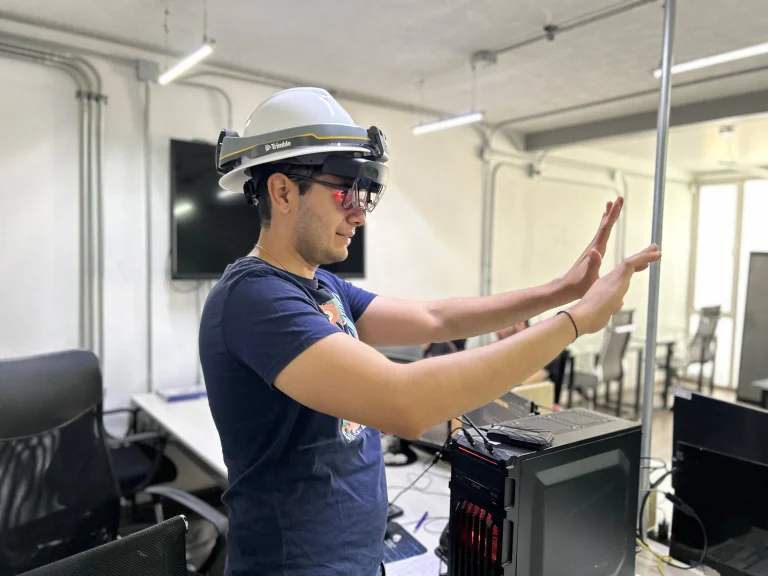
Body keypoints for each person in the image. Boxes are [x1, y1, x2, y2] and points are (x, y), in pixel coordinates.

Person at [198, 86, 661, 576]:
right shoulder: (254, 299)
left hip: (351, 560)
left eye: (366, 195)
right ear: (283, 191)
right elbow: (405, 404)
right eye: (344, 192)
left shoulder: (320, 285)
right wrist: (575, 322)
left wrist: (559, 291)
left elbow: (437, 319)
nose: (358, 212)